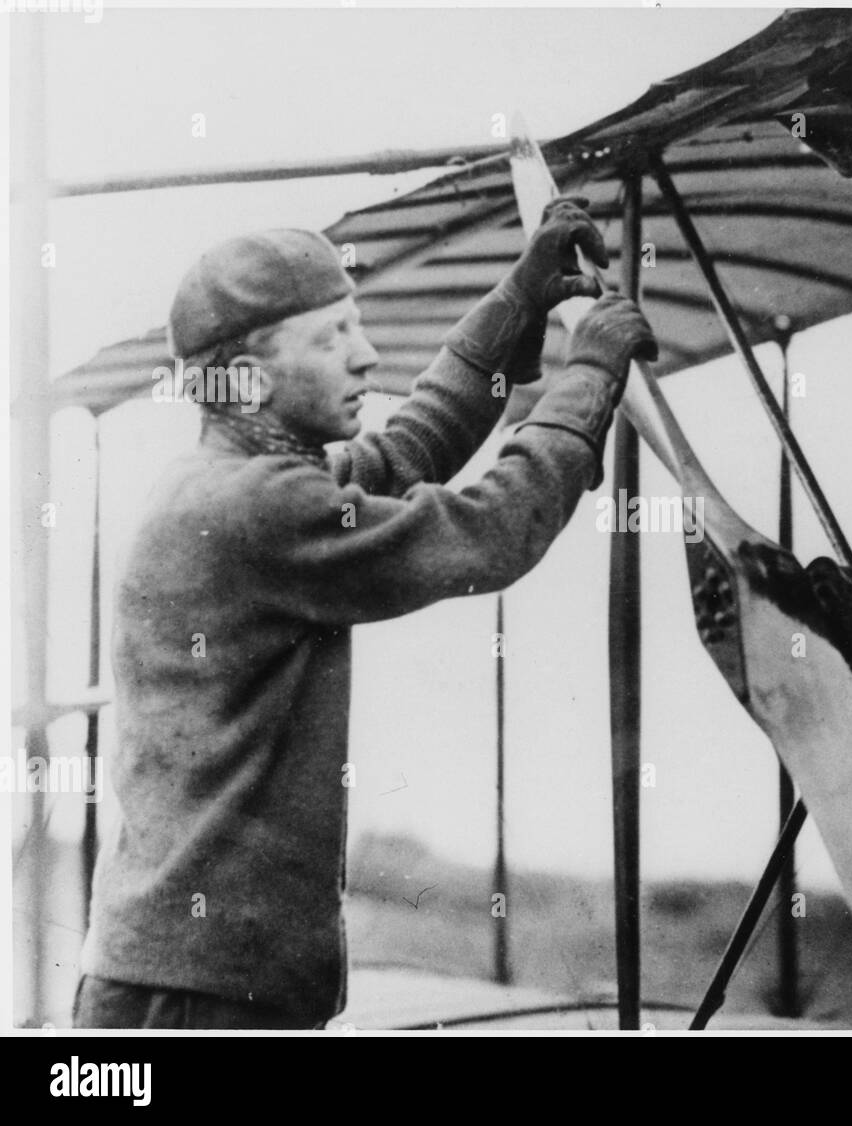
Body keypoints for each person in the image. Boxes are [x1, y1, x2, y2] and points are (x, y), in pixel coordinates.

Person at [73, 199, 657, 1029]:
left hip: (178, 979)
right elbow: (491, 534)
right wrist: (587, 379)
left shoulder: (226, 484)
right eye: (331, 339)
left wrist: (516, 304)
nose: (367, 357)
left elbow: (403, 452)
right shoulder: (258, 510)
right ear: (246, 379)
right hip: (200, 1000)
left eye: (356, 327)